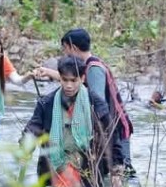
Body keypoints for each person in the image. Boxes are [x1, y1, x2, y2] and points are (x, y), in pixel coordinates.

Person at [22, 56, 112, 187]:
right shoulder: (47, 103)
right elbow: (33, 126)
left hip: (87, 171)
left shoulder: (95, 104)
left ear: (82, 79)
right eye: (65, 80)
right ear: (59, 78)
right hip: (56, 170)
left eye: (74, 80)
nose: (69, 85)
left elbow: (109, 134)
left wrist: (116, 168)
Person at [36, 28, 133, 177]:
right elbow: (74, 81)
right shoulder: (89, 65)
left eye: (65, 49)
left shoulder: (93, 69)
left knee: (124, 172)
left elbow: (95, 101)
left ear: (73, 48)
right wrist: (49, 73)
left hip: (114, 130)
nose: (65, 54)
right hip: (108, 128)